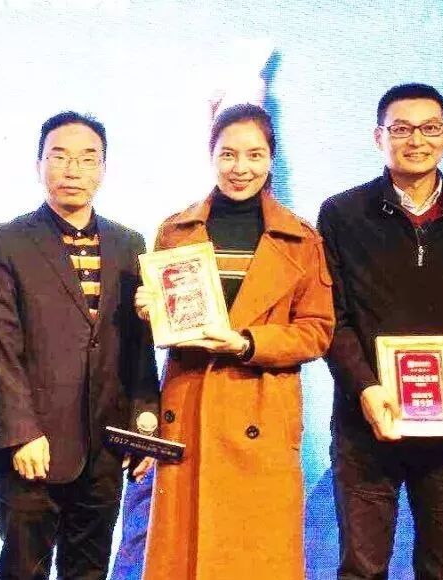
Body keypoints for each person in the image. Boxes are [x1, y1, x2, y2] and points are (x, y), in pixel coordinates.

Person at [319, 84, 443, 580]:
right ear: (378, 136)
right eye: (401, 129)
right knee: (361, 568)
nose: (416, 140)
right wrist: (366, 388)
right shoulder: (342, 214)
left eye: (429, 128)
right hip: (366, 422)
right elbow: (333, 317)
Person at [140, 102, 335, 580]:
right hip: (189, 408)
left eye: (254, 155)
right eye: (228, 154)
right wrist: (149, 310)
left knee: (255, 555)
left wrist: (247, 342)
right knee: (184, 553)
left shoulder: (301, 239)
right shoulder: (175, 231)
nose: (240, 168)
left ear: (271, 158)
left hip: (261, 409)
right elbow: (166, 323)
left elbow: (317, 331)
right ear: (211, 156)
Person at [0, 111, 159, 580]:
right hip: (31, 448)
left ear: (103, 169)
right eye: (59, 157)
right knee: (23, 571)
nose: (73, 169)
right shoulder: (5, 242)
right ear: (38, 164)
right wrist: (21, 432)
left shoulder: (129, 244)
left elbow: (140, 346)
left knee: (89, 571)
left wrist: (144, 427)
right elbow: (0, 347)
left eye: (87, 158)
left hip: (105, 446)